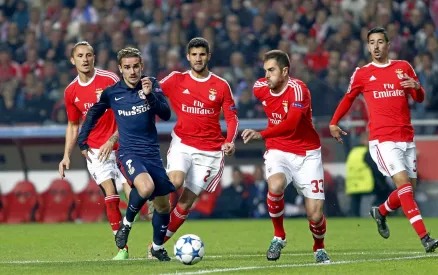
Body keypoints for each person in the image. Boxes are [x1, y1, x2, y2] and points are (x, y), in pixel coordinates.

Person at [329, 27, 438, 253]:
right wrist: (334, 122)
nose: (376, 46)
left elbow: (419, 98)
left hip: (406, 137)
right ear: (368, 46)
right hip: (382, 140)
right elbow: (348, 98)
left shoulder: (403, 67)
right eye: (372, 42)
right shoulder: (362, 73)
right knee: (404, 187)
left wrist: (418, 88)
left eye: (381, 41)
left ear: (389, 45)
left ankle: (380, 212)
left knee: (408, 189)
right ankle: (425, 237)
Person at [77, 47, 175, 261]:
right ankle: (127, 223)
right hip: (129, 152)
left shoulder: (151, 85)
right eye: (127, 67)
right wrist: (81, 141)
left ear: (142, 67)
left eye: (136, 67)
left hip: (152, 154)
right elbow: (93, 113)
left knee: (163, 205)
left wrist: (150, 97)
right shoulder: (113, 93)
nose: (132, 72)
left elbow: (166, 114)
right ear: (120, 69)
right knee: (146, 187)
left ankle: (157, 247)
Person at [146, 37, 238, 257]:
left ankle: (157, 245)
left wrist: (230, 140)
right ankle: (158, 198)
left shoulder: (221, 85)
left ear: (208, 56)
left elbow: (232, 117)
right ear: (188, 57)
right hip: (183, 143)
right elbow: (152, 87)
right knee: (174, 182)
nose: (198, 58)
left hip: (210, 151)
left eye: (202, 54)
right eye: (194, 54)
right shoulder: (177, 79)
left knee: (186, 203)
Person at [241, 50, 330, 264]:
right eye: (265, 71)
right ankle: (279, 236)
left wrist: (261, 134)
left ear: (285, 71)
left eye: (271, 71)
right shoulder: (260, 88)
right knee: (276, 185)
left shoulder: (299, 90)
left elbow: (292, 124)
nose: (266, 76)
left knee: (315, 216)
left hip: (307, 154)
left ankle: (319, 247)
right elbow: (257, 92)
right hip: (278, 149)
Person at [58, 41, 131, 260]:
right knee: (111, 193)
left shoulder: (109, 79)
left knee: (136, 193)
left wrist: (116, 136)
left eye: (88, 55)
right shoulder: (71, 91)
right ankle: (122, 249)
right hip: (95, 149)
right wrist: (66, 155)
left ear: (94, 57)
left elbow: (126, 108)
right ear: (73, 60)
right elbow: (73, 125)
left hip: (122, 143)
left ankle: (149, 237)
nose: (85, 59)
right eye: (80, 56)